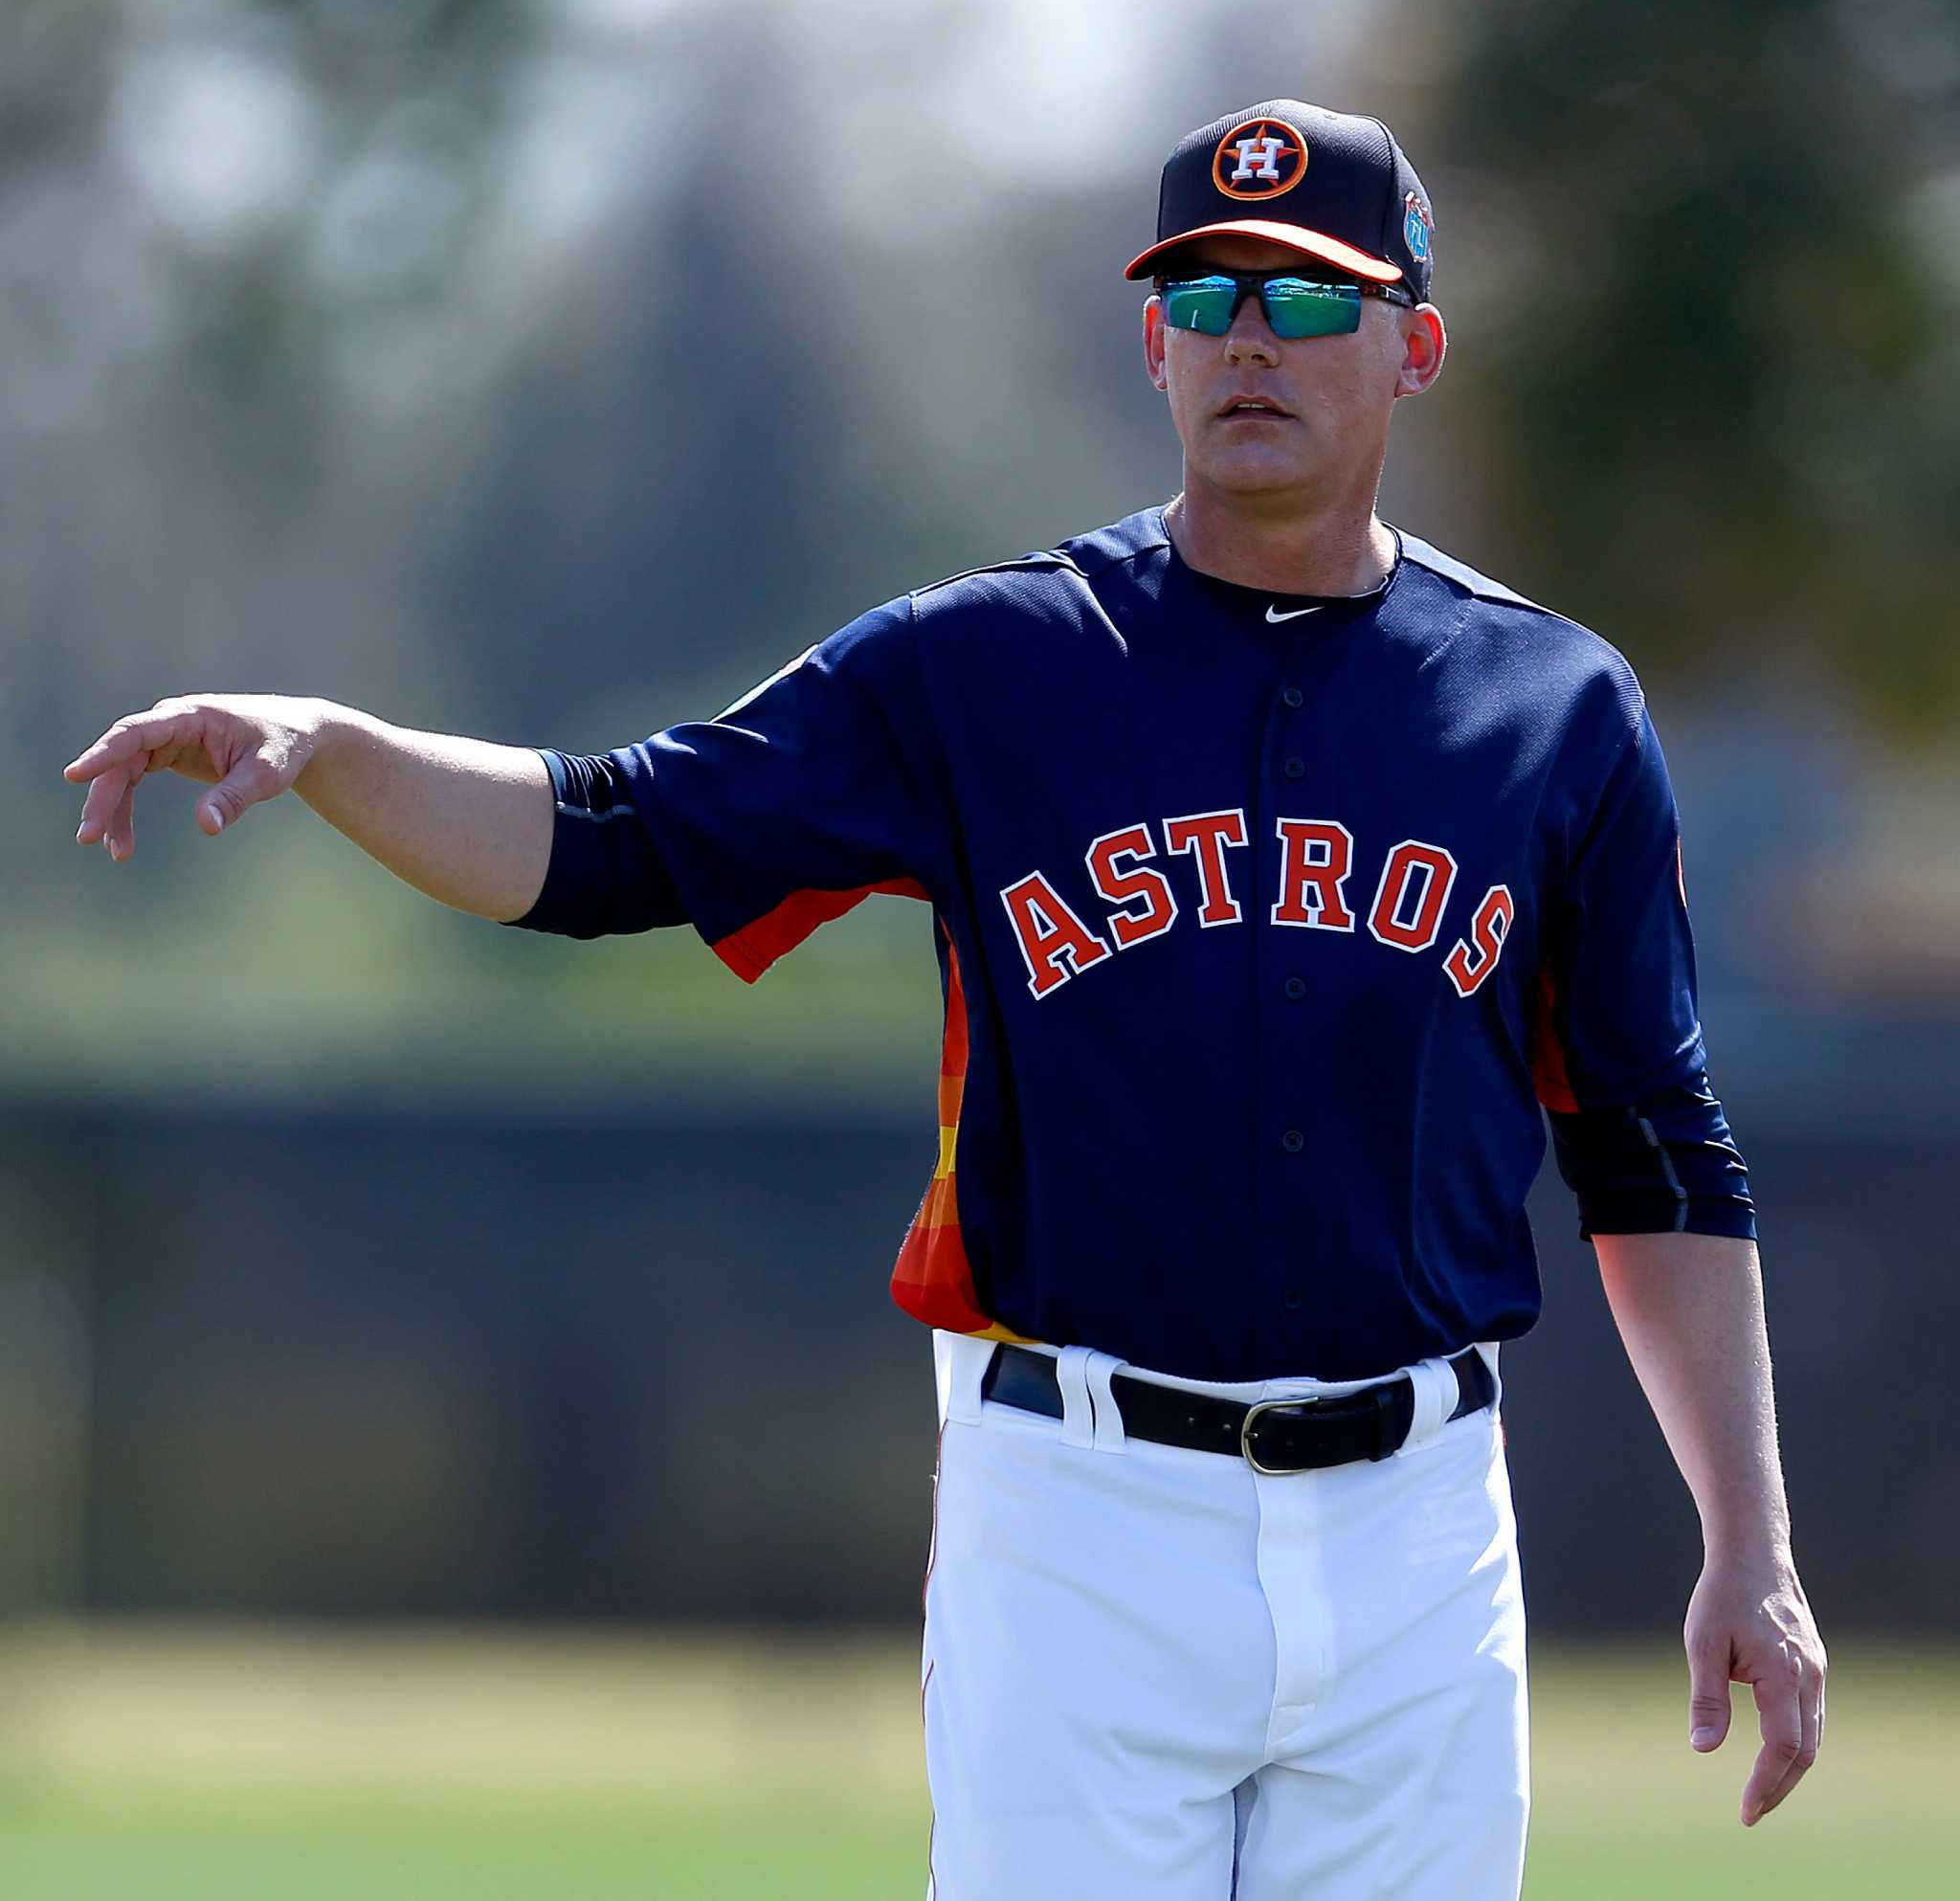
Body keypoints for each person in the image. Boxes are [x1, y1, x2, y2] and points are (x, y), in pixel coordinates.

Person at [67, 99, 1823, 1899]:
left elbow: (1653, 1145)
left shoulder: (1557, 709)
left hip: (1418, 1526)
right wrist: (335, 748)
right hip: (1083, 1517)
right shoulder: (993, 664)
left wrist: (1748, 1539)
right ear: (1152, 342)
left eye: (1309, 302)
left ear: (1414, 346)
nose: (1248, 338)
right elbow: (620, 839)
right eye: (1205, 293)